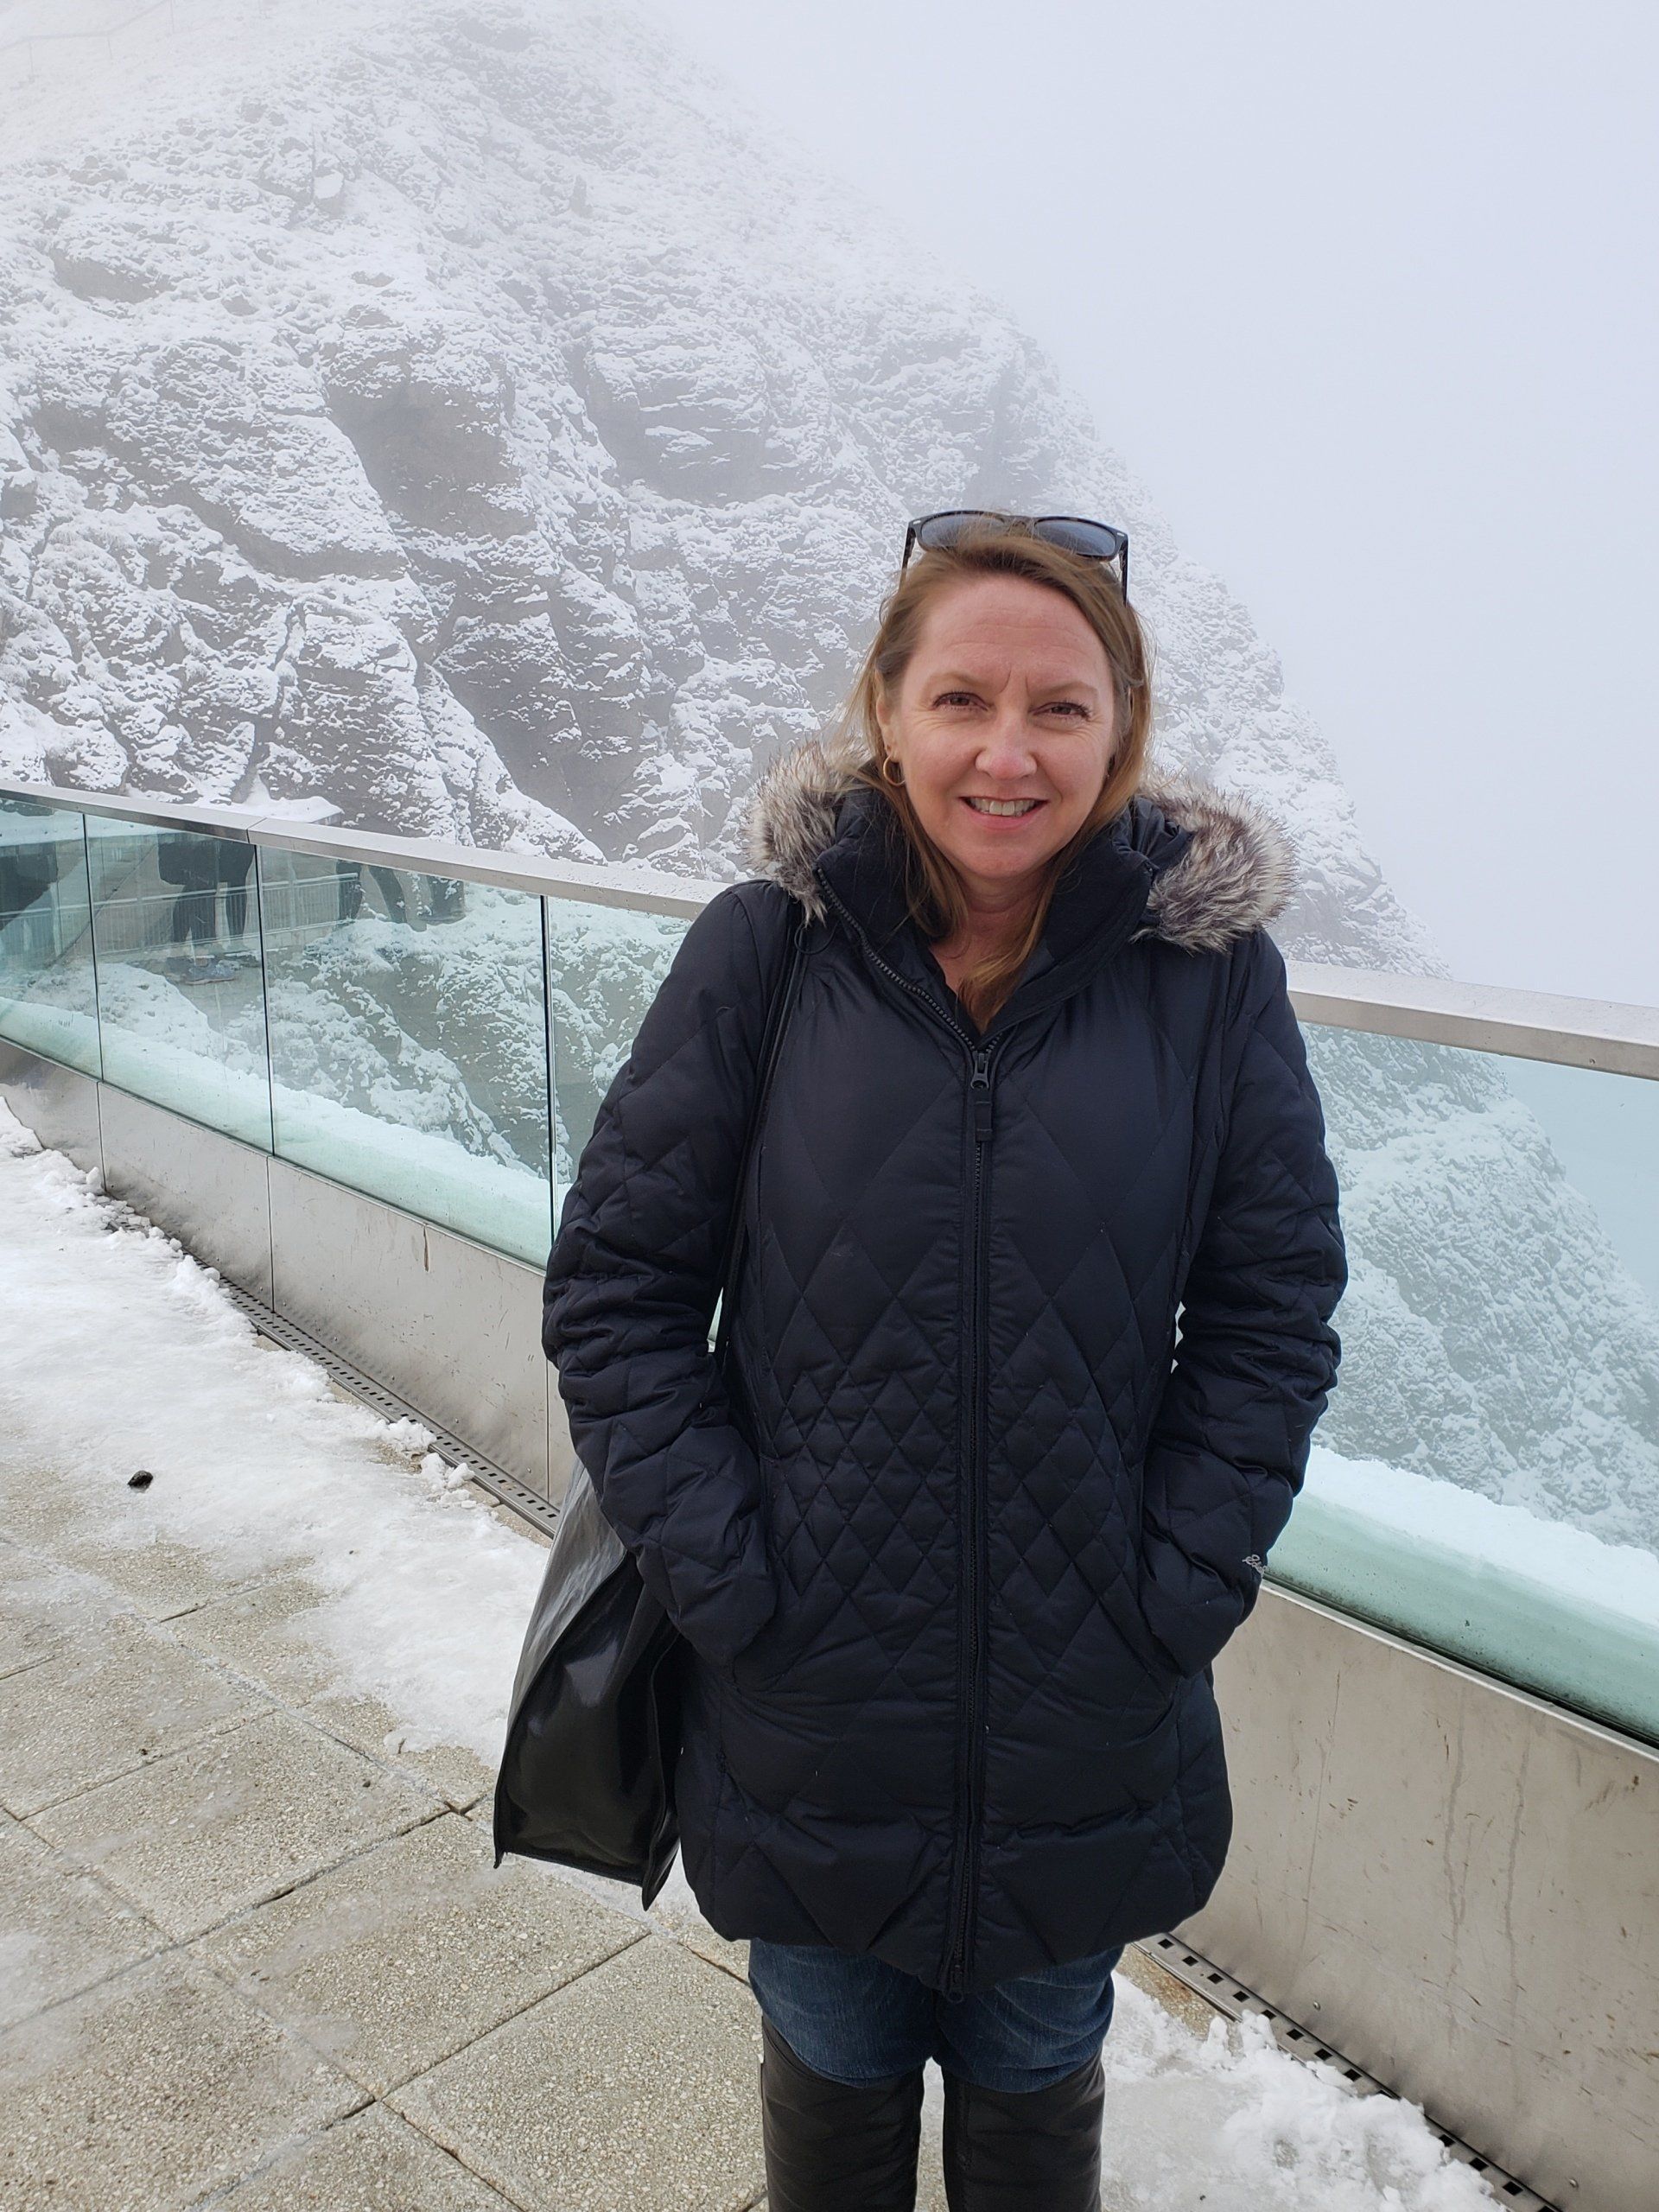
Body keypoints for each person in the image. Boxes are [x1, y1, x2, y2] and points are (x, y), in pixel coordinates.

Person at [543, 511, 1346, 2210]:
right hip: (803, 1703)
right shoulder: (765, 953)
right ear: (886, 711)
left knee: (1036, 2102)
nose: (1007, 748)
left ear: (1121, 727)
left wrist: (1180, 1575)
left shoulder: (1209, 985)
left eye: (1060, 705)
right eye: (962, 696)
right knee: (828, 2098)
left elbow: (1272, 1301)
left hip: (1086, 1713)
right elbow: (619, 1284)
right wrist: (728, 1571)